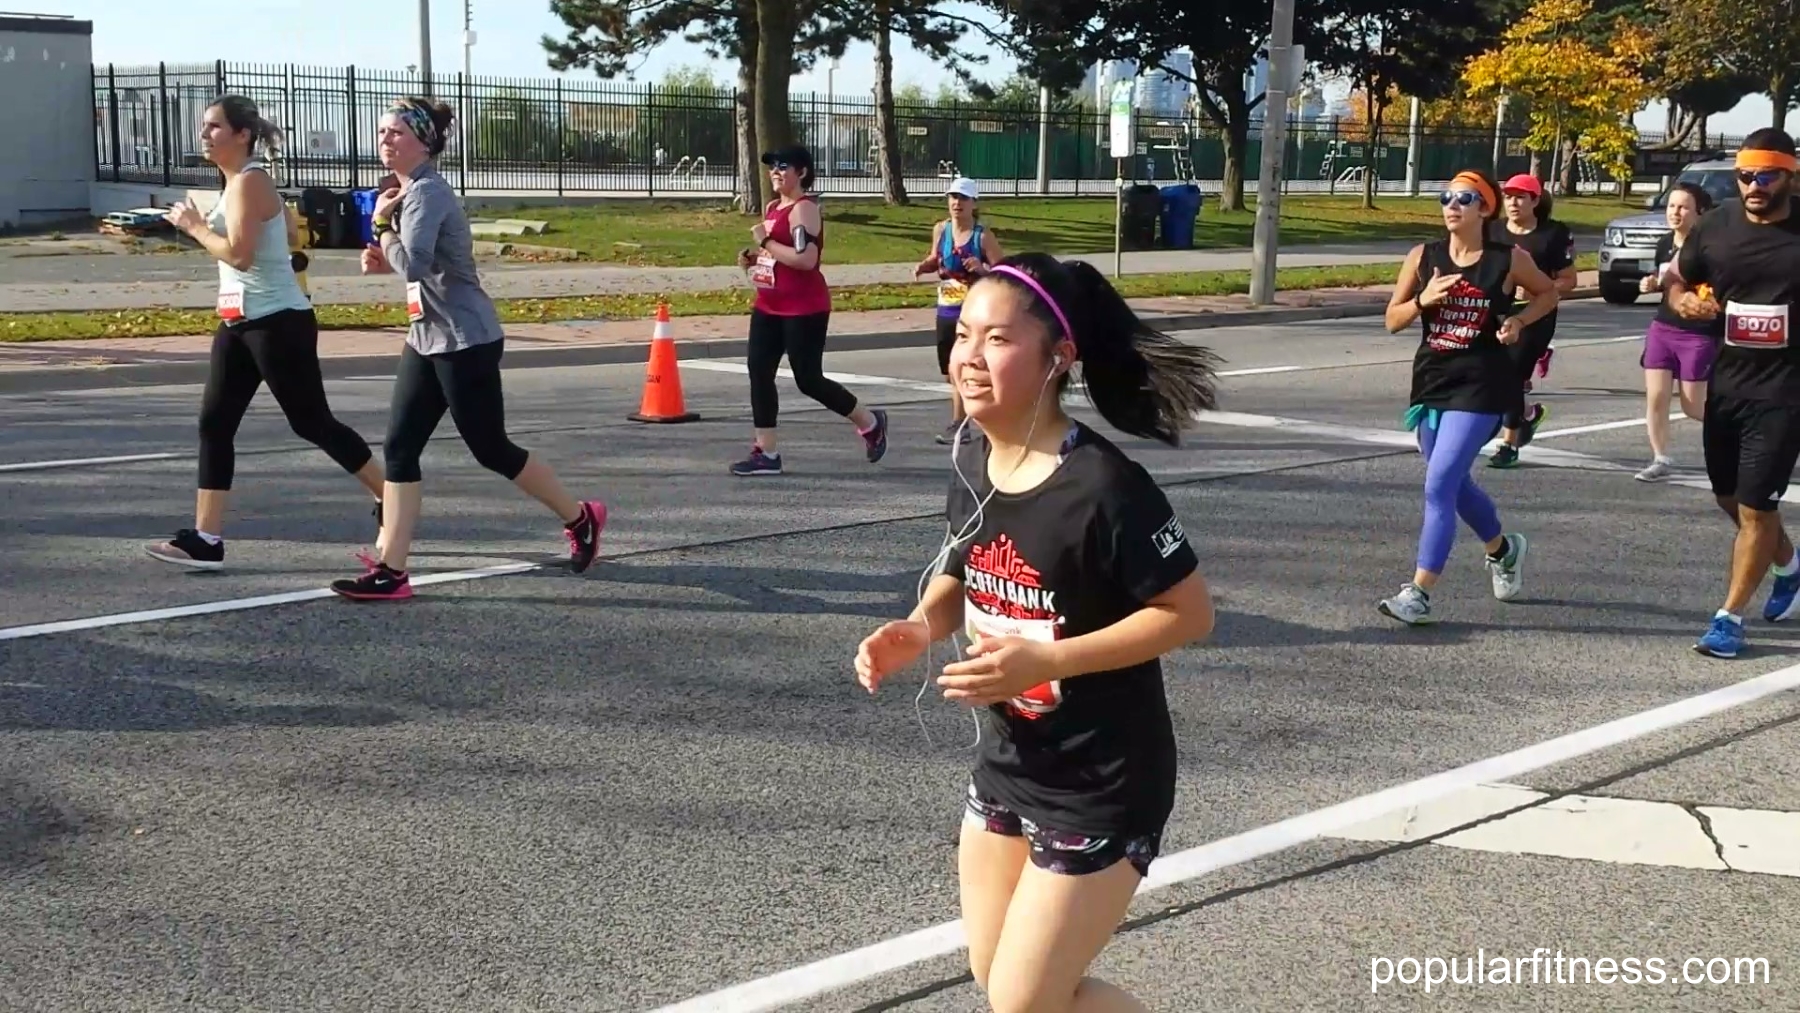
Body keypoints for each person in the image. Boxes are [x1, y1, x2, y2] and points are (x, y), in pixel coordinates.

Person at [853, 252, 1218, 1013]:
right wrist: (919, 628)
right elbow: (966, 563)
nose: (968, 356)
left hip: (1103, 782)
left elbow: (1190, 613)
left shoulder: (1106, 487)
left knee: (1024, 1002)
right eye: (963, 336)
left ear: (1058, 358)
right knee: (1002, 986)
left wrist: (1046, 659)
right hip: (1008, 767)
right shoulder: (976, 454)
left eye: (997, 339)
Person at [330, 97, 605, 601]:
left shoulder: (428, 192)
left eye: (395, 132)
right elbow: (413, 266)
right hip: (427, 337)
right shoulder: (409, 191)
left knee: (491, 449)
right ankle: (392, 569)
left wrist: (384, 229)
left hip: (466, 341)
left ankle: (581, 517)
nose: (384, 140)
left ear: (423, 142)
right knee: (399, 448)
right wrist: (384, 245)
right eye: (381, 132)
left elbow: (412, 262)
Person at [146, 95, 384, 570]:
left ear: (242, 135)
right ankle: (206, 539)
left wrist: (194, 227)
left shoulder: (249, 181)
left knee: (312, 422)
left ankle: (392, 496)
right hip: (239, 322)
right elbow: (289, 238)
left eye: (214, 127)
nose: (204, 135)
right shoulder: (235, 181)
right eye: (204, 127)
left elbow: (239, 255)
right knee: (214, 424)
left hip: (278, 324)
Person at [1377, 170, 1561, 625]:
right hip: (1432, 383)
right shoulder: (1423, 257)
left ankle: (1418, 593)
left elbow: (1549, 293)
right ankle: (1503, 549)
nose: (1452, 205)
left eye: (1465, 198)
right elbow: (1392, 320)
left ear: (1485, 208)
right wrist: (1423, 300)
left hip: (1482, 385)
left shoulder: (1507, 259)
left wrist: (1519, 322)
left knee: (1439, 483)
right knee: (1454, 484)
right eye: (1446, 197)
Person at [1665, 128, 1800, 658]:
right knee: (1732, 498)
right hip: (1729, 384)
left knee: (1754, 503)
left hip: (1787, 392)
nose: (1754, 185)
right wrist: (1682, 303)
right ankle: (1788, 565)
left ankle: (1729, 618)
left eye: (1767, 175)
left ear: (1790, 175)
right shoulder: (1716, 224)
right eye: (1746, 175)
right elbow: (1677, 279)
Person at [730, 145, 888, 476]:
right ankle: (767, 453)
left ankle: (870, 422)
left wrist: (766, 244)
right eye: (772, 166)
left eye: (783, 166)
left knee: (809, 380)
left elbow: (806, 260)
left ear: (801, 173)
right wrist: (755, 260)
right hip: (769, 305)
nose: (775, 171)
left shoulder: (805, 210)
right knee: (759, 373)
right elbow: (778, 257)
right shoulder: (773, 207)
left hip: (805, 308)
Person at [1485, 173, 1578, 469]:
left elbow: (1569, 280)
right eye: (1509, 196)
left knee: (1510, 374)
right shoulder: (1492, 230)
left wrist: (1540, 286)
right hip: (1496, 313)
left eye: (1520, 197)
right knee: (1491, 374)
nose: (1513, 203)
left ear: (1535, 201)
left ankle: (1508, 444)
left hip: (1536, 315)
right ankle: (1526, 414)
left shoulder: (1553, 233)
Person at [1635, 182, 1719, 481]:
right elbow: (1662, 280)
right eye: (1672, 206)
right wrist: (1651, 284)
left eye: (1683, 207)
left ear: (1700, 213)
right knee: (1656, 396)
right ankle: (1659, 458)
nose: (1676, 212)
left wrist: (1702, 300)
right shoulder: (1664, 244)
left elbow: (1716, 291)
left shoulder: (1711, 249)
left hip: (1697, 334)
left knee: (1693, 405)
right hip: (1663, 327)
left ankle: (1738, 437)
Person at [914, 177, 1004, 445]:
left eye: (963, 198)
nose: (956, 203)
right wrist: (924, 266)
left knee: (961, 366)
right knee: (949, 370)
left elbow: (1005, 272)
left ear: (973, 203)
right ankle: (967, 419)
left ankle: (961, 423)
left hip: (974, 311)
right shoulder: (941, 230)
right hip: (947, 308)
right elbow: (936, 258)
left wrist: (983, 269)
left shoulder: (982, 236)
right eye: (953, 197)